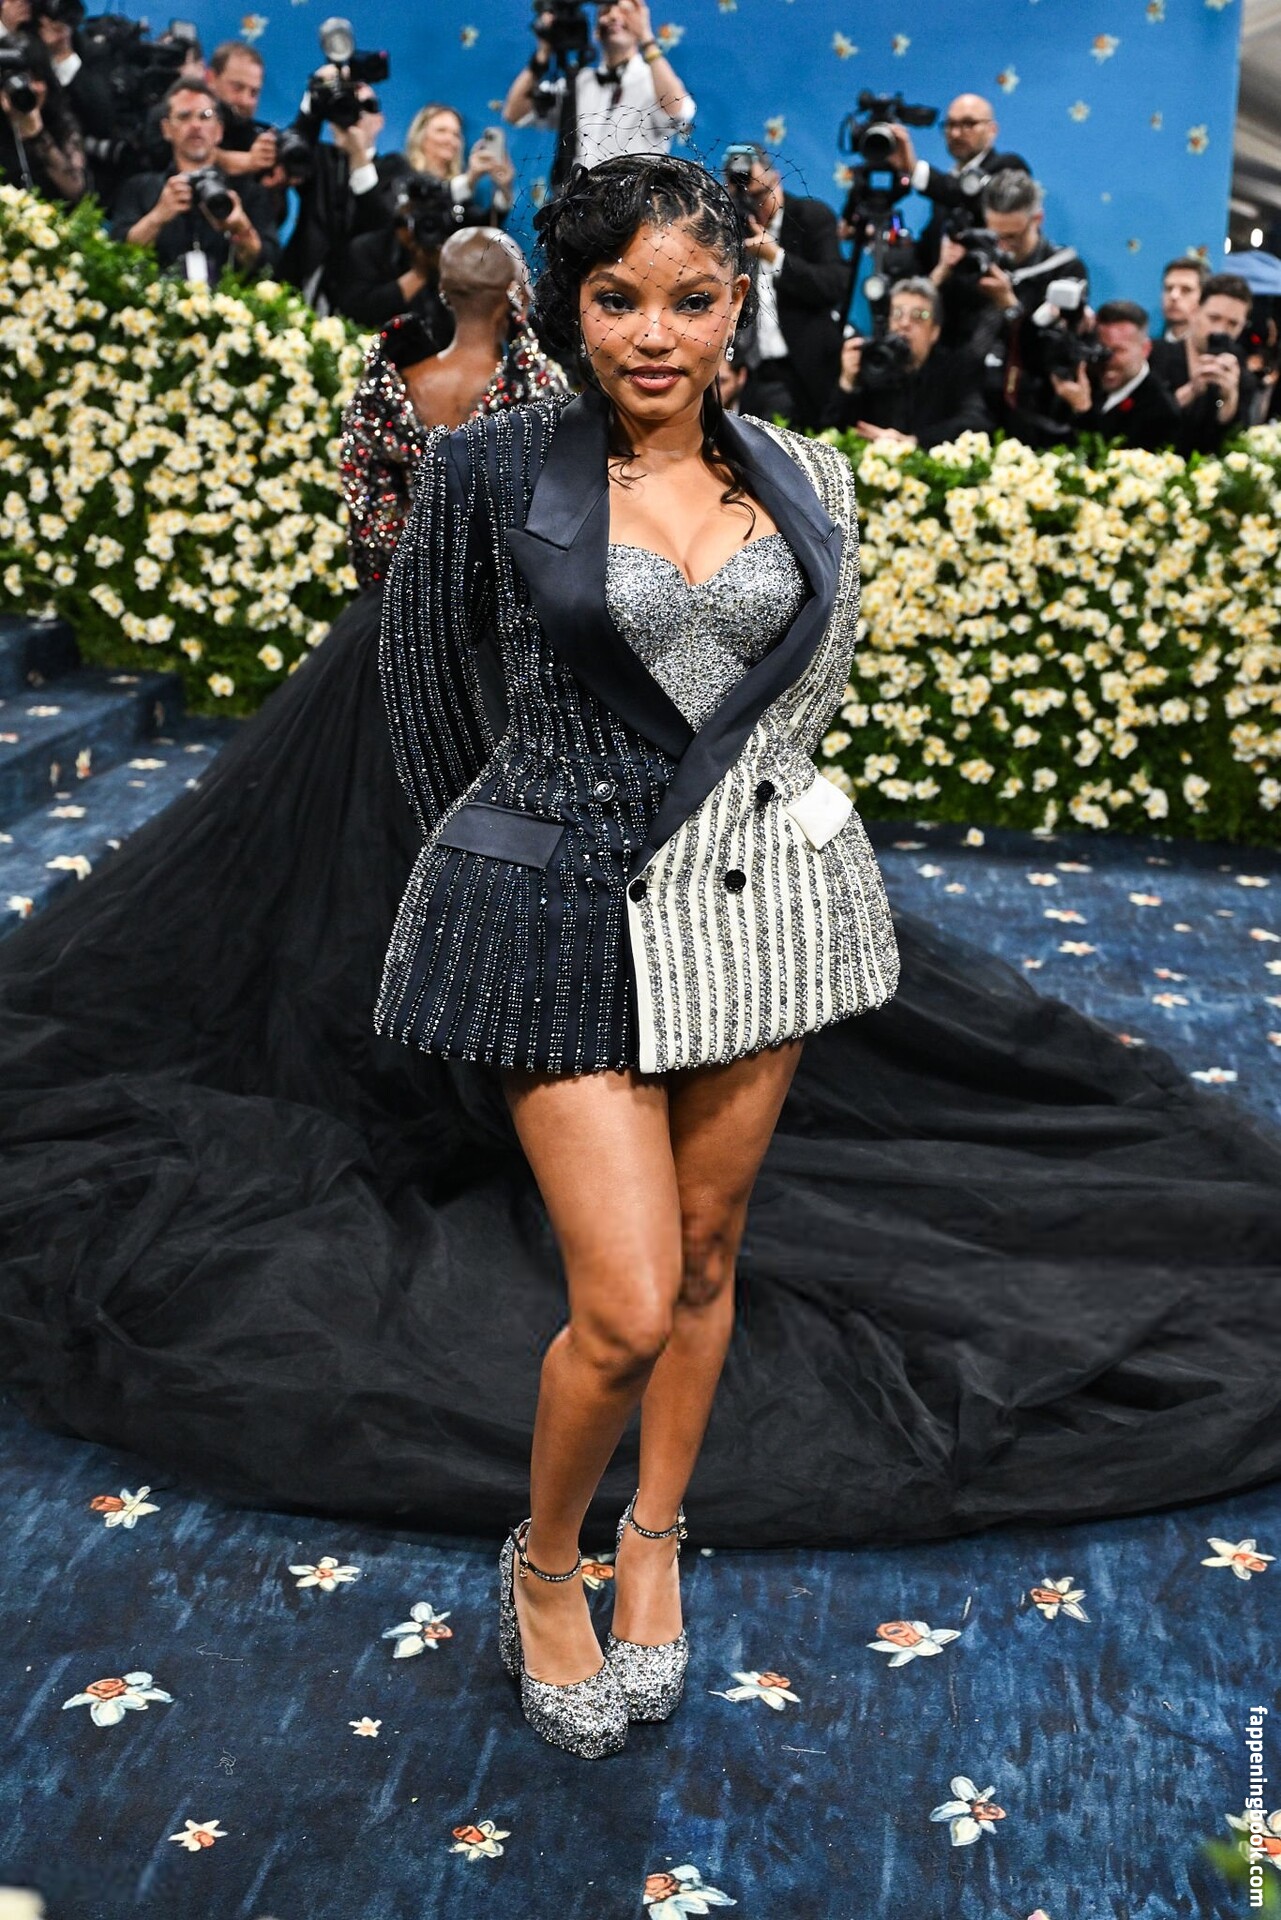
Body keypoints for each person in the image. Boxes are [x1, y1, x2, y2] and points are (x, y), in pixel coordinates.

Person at [4, 163, 1281, 1775]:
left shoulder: (809, 473)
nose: (655, 335)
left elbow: (803, 694)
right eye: (618, 300)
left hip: (750, 913)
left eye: (690, 298)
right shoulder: (487, 470)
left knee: (705, 1254)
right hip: (554, 921)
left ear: (738, 301)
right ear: (571, 307)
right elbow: (424, 709)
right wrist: (529, 847)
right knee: (616, 1303)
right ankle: (547, 1563)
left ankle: (656, 1536)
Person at [110, 77, 279, 283]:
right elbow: (117, 256)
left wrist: (241, 228)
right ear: (166, 129)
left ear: (219, 130)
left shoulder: (249, 193)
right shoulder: (139, 188)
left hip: (228, 301)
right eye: (184, 116)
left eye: (205, 116)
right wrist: (158, 216)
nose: (196, 125)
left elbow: (267, 267)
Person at [726, 146, 848, 430]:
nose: (753, 206)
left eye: (758, 196)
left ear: (776, 179)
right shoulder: (733, 229)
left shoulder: (811, 216)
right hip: (755, 374)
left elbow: (834, 284)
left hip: (806, 369)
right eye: (743, 198)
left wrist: (776, 257)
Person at [502, 0, 693, 171]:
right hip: (581, 196)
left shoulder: (654, 80)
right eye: (605, 11)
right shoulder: (577, 83)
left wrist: (646, 38)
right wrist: (543, 53)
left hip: (637, 196)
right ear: (595, 31)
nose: (614, 16)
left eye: (625, 11)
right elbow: (514, 113)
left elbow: (677, 112)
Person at [820, 277, 990, 447]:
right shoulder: (872, 363)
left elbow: (976, 422)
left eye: (919, 316)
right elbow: (830, 434)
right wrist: (847, 382)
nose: (905, 323)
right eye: (897, 314)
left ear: (934, 331)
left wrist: (914, 441)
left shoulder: (957, 368)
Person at [890, 92, 1030, 275]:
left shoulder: (1009, 168)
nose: (956, 133)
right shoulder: (947, 184)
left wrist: (913, 168)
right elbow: (930, 251)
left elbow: (966, 196)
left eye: (968, 124)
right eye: (950, 125)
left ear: (992, 130)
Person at [1049, 299, 1183, 451]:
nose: (1107, 359)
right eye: (1101, 349)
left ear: (1145, 349)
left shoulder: (1161, 412)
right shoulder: (1087, 382)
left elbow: (1107, 461)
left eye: (1118, 350)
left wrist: (1083, 410)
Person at [1150, 273, 1257, 456]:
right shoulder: (1157, 356)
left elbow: (1236, 443)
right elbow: (1146, 422)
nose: (1220, 330)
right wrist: (1191, 391)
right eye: (1214, 318)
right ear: (1195, 312)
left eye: (1233, 324)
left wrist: (1228, 400)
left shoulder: (1242, 374)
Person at [0, 32, 85, 204]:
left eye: (36, 78)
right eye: (16, 79)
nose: (28, 88)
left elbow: (76, 190)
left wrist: (38, 136)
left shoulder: (62, 122)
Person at [403, 101, 515, 228]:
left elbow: (480, 228)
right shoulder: (401, 175)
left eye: (456, 134)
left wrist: (505, 190)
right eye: (441, 131)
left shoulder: (461, 197)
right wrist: (470, 179)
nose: (450, 139)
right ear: (421, 135)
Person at [1158, 255, 1209, 343]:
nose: (1174, 296)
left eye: (1186, 290)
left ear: (1204, 297)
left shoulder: (1213, 349)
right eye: (1169, 288)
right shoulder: (1147, 347)